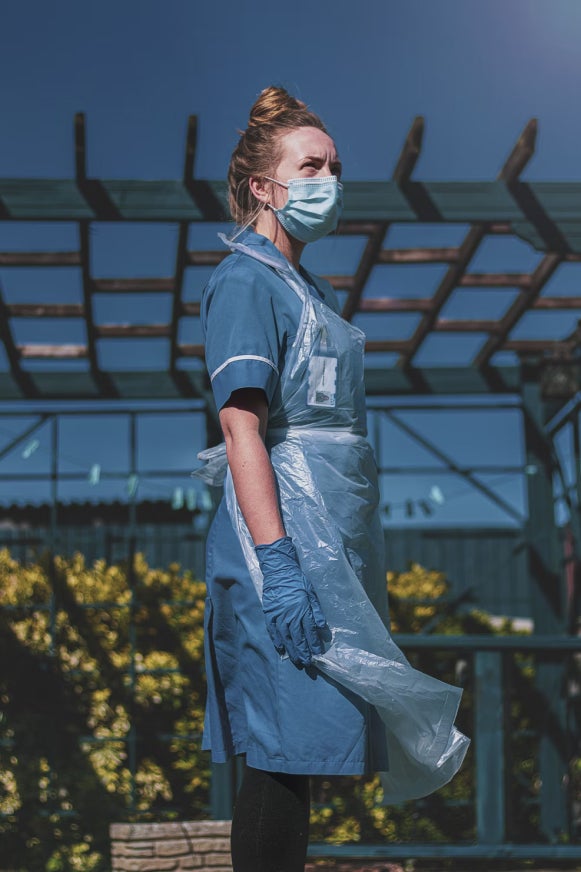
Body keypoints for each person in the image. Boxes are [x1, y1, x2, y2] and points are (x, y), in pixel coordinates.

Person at [198, 86, 468, 872]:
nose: (329, 180)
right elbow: (241, 424)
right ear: (262, 185)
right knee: (279, 756)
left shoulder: (303, 287)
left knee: (300, 754)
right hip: (277, 545)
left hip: (326, 542)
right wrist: (279, 565)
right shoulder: (246, 280)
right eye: (310, 165)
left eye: (336, 167)